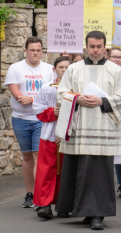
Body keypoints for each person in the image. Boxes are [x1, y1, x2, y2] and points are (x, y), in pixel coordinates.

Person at [56, 31, 121, 230]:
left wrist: (102, 100)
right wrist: (76, 99)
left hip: (103, 129)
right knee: (76, 167)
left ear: (105, 47)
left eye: (99, 47)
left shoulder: (116, 71)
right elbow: (61, 93)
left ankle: (98, 214)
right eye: (92, 46)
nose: (95, 50)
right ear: (86, 47)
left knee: (99, 173)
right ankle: (80, 211)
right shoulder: (73, 69)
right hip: (79, 128)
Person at [4, 36, 55, 208]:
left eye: (38, 50)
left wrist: (32, 100)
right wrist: (26, 98)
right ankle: (29, 193)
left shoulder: (49, 70)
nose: (35, 53)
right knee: (27, 156)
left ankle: (40, 197)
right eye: (32, 50)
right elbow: (17, 94)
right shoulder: (15, 68)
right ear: (25, 50)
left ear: (42, 51)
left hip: (41, 119)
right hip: (21, 119)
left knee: (37, 155)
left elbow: (51, 94)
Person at [33, 56, 71, 219]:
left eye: (67, 67)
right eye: (61, 67)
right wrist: (51, 112)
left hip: (68, 136)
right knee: (46, 170)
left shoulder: (75, 89)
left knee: (66, 171)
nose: (64, 70)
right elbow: (37, 106)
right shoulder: (47, 87)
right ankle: (44, 204)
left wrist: (64, 132)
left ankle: (64, 205)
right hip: (49, 135)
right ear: (54, 69)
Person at [107, 48, 121, 199]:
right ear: (108, 58)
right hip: (108, 114)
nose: (117, 60)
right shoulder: (103, 74)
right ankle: (107, 184)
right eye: (114, 57)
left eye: (119, 57)